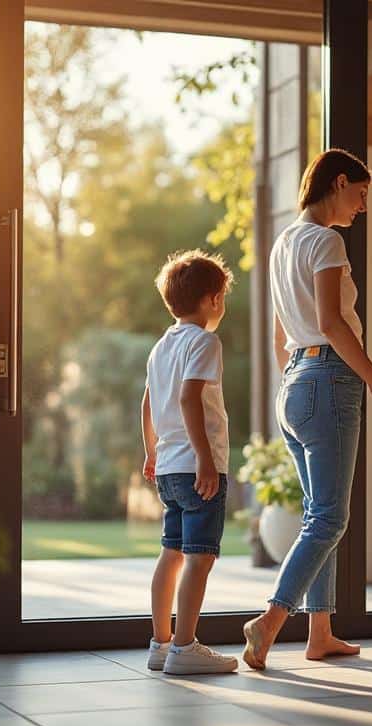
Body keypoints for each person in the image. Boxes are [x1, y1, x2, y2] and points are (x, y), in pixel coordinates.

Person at [242, 149, 372, 670]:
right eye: (360, 194)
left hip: (295, 382)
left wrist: (296, 381)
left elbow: (282, 332)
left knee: (318, 514)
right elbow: (330, 322)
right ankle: (270, 620)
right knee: (329, 517)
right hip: (328, 380)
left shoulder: (283, 243)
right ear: (339, 182)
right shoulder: (326, 241)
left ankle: (320, 632)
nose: (362, 206)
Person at [141, 250, 238, 674]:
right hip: (196, 467)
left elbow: (148, 403)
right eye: (223, 297)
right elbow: (188, 398)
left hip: (168, 466)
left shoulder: (161, 346)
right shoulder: (205, 341)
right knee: (200, 557)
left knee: (172, 553)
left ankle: (161, 644)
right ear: (213, 299)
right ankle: (184, 648)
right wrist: (205, 459)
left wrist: (151, 451)